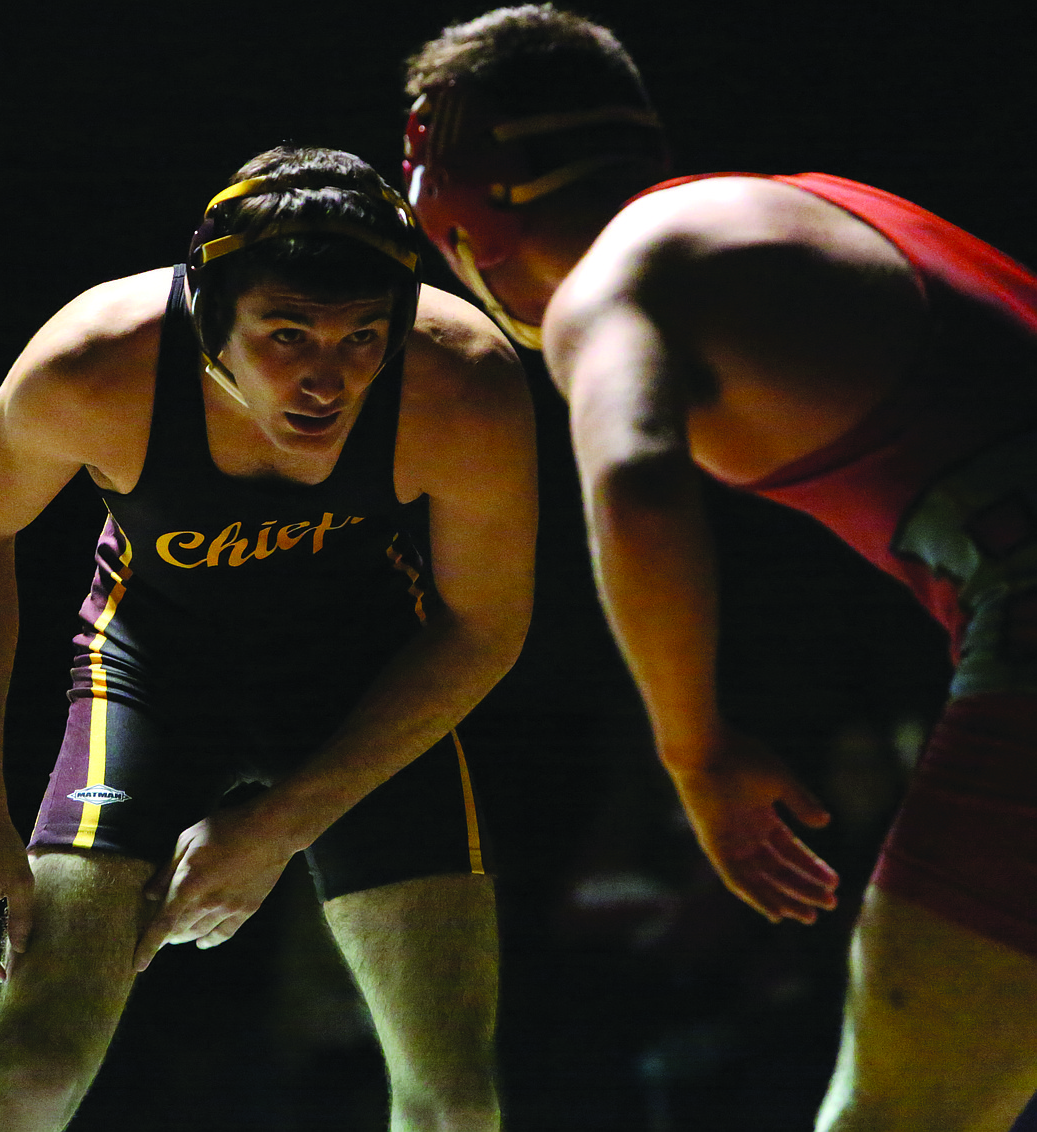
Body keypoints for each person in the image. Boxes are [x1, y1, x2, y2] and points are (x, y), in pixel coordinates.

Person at [403, 7, 1037, 1130]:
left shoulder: (621, 278)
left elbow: (638, 482)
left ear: (452, 205)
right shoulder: (807, 207)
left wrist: (694, 753)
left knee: (900, 1114)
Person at [0, 145, 536, 1132]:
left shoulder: (461, 383)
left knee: (456, 1098)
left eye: (361, 337)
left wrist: (280, 826)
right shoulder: (97, 362)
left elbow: (485, 627)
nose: (326, 381)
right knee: (32, 1065)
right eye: (288, 335)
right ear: (211, 323)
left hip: (359, 675)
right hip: (151, 666)